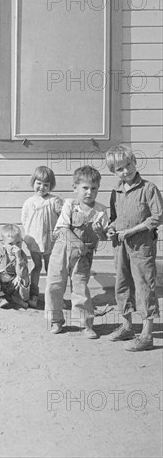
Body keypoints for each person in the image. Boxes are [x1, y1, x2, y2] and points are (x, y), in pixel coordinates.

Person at [105, 145, 163, 352]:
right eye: (120, 169)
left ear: (134, 162)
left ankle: (147, 335)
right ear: (114, 172)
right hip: (120, 245)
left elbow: (157, 217)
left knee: (144, 286)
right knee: (122, 285)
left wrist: (132, 231)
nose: (126, 171)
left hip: (142, 246)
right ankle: (128, 326)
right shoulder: (116, 191)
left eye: (128, 165)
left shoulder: (149, 188)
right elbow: (114, 219)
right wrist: (110, 229)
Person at [44, 166, 109, 338]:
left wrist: (99, 232)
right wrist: (77, 243)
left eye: (93, 188)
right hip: (62, 251)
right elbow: (63, 229)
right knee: (55, 285)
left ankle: (85, 324)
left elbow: (104, 237)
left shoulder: (101, 211)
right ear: (75, 188)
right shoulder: (69, 205)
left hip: (83, 257)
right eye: (85, 188)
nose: (89, 192)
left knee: (80, 287)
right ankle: (56, 320)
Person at [21, 166, 63, 308]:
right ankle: (34, 295)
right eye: (39, 183)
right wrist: (29, 235)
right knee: (36, 266)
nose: (42, 187)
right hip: (35, 240)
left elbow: (63, 217)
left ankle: (55, 297)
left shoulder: (54, 201)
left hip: (51, 241)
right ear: (33, 182)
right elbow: (25, 220)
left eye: (46, 185)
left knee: (52, 268)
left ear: (51, 186)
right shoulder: (29, 202)